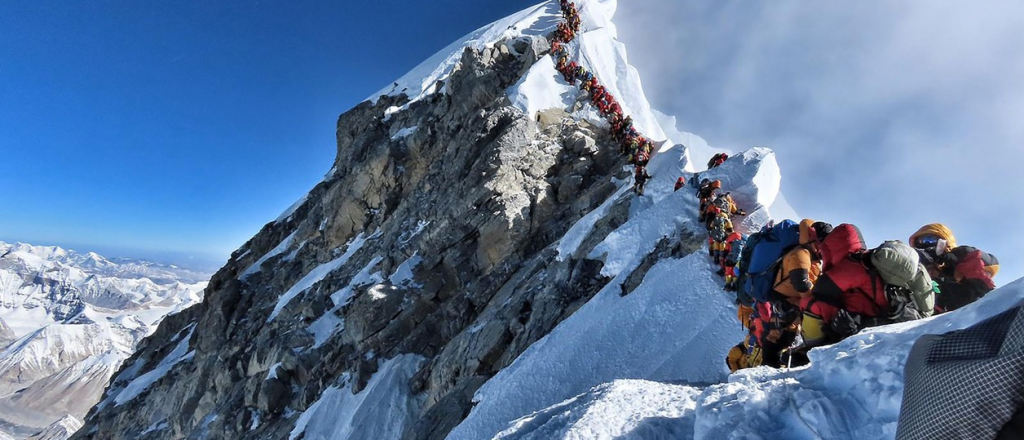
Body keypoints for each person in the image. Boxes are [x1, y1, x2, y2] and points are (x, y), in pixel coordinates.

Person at [800, 223, 885, 349]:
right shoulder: (863, 260)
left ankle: (810, 349)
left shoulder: (851, 265)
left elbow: (821, 289)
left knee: (811, 303)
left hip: (868, 321)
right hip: (872, 316)